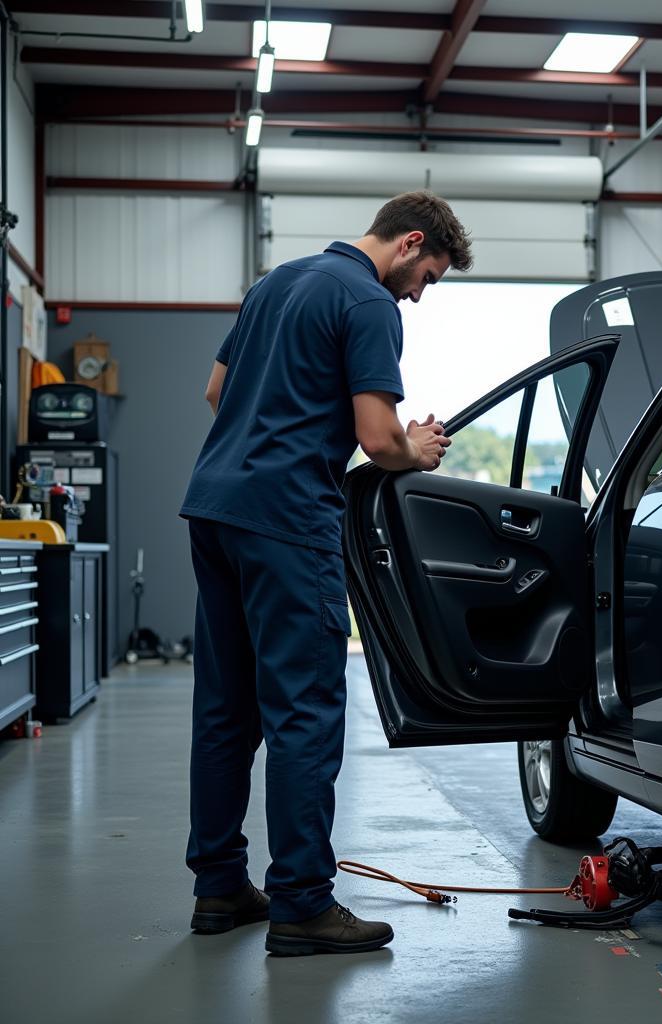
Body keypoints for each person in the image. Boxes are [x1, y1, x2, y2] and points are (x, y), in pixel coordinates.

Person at [179, 191, 473, 956]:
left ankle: (218, 889)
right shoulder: (371, 304)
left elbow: (217, 393)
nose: (419, 293)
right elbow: (378, 442)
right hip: (287, 521)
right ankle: (303, 905)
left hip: (214, 506)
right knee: (304, 715)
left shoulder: (276, 282)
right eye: (429, 277)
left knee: (224, 710)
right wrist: (420, 448)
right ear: (410, 244)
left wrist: (274, 431)